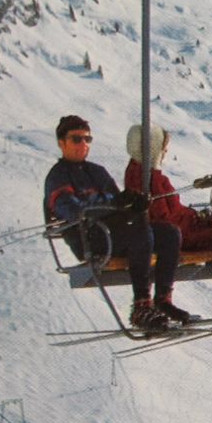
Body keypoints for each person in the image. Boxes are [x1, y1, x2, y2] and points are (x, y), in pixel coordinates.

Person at [43, 115, 182, 332]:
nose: (84, 145)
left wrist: (132, 202)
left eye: (87, 139)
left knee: (169, 234)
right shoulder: (58, 177)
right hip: (90, 238)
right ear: (62, 142)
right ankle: (141, 306)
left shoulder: (97, 172)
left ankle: (163, 300)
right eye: (77, 139)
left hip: (113, 232)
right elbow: (72, 210)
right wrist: (112, 203)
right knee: (138, 230)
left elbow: (118, 203)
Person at [123, 123, 212, 318]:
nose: (165, 153)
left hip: (180, 231)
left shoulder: (143, 173)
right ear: (154, 148)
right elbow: (163, 217)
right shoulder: (148, 178)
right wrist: (197, 222)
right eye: (163, 149)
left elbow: (170, 212)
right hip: (181, 235)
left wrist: (197, 216)